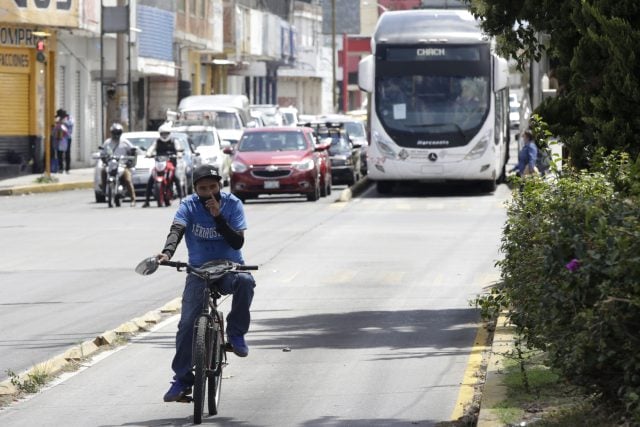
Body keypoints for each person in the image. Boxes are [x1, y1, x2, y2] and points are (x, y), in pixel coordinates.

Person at [153, 164, 256, 402]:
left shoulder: (233, 204)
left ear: (220, 185)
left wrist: (218, 216)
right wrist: (167, 252)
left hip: (230, 267)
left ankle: (236, 334)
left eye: (212, 187)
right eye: (202, 188)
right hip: (199, 271)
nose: (208, 192)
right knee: (187, 323)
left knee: (246, 281)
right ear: (195, 189)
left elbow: (237, 243)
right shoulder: (188, 205)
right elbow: (176, 230)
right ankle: (181, 379)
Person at [142, 124, 183, 207]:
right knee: (150, 180)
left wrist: (179, 154)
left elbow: (179, 149)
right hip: (159, 163)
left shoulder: (174, 141)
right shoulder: (157, 141)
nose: (164, 135)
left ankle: (182, 199)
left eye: (166, 133)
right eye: (162, 134)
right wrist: (148, 153)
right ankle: (147, 201)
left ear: (169, 133)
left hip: (171, 164)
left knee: (177, 179)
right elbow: (151, 148)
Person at [100, 123, 137, 206]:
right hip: (111, 164)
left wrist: (130, 158)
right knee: (103, 171)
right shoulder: (107, 142)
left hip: (122, 165)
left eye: (118, 133)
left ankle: (133, 199)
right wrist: (104, 158)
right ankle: (103, 189)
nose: (116, 135)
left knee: (128, 179)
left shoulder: (125, 142)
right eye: (114, 133)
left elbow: (132, 150)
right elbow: (102, 153)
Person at [56, 109, 74, 173]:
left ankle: (67, 168)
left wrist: (63, 121)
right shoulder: (58, 119)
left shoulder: (69, 118)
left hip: (67, 138)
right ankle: (60, 168)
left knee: (67, 153)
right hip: (60, 138)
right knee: (59, 153)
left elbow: (70, 124)